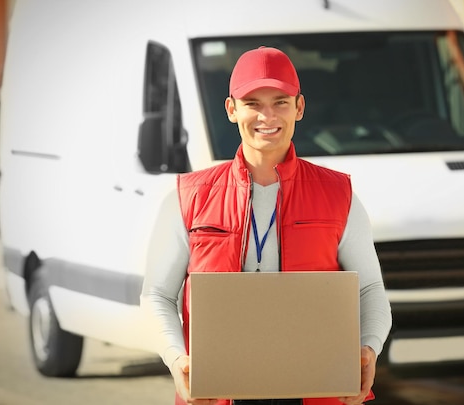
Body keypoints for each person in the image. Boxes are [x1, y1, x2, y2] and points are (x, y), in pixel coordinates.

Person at [140, 46, 392, 405]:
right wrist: (176, 359)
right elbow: (157, 295)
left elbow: (370, 289)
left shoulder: (339, 195)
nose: (267, 116)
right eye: (253, 103)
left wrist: (369, 347)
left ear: (299, 107)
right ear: (232, 110)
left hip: (319, 392)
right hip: (217, 395)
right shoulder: (187, 197)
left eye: (280, 102)